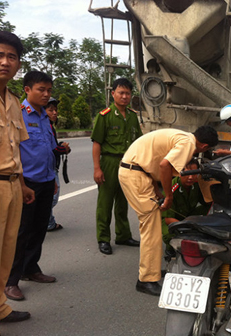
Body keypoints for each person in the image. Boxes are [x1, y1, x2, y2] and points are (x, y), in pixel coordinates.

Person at [118, 126, 218, 296]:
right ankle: (146, 280)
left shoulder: (183, 135)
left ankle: (152, 271)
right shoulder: (188, 143)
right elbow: (165, 165)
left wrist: (158, 192)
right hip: (135, 174)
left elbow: (155, 164)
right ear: (204, 147)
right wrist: (169, 196)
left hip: (139, 173)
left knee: (152, 225)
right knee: (151, 228)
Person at [0, 30, 34, 335]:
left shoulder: (13, 101)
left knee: (6, 252)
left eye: (11, 56)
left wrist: (21, 184)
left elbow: (15, 147)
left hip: (11, 186)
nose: (5, 62)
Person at [5, 71, 57, 302]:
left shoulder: (45, 117)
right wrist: (23, 184)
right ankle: (10, 281)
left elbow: (46, 149)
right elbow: (13, 152)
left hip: (46, 180)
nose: (46, 95)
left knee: (39, 228)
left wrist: (54, 178)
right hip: (27, 183)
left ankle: (30, 269)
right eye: (41, 90)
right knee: (21, 232)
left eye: (49, 90)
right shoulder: (18, 114)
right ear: (27, 90)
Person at [91, 78, 143, 255]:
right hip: (109, 163)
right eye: (121, 92)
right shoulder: (104, 116)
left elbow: (138, 143)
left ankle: (123, 235)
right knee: (105, 203)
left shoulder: (133, 117)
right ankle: (103, 238)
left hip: (128, 164)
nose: (124, 96)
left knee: (123, 202)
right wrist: (97, 168)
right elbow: (97, 143)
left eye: (128, 93)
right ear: (113, 94)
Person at [162, 158, 210, 258]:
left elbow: (206, 202)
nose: (190, 178)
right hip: (172, 220)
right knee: (170, 234)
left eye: (194, 174)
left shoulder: (196, 185)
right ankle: (170, 247)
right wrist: (187, 227)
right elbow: (167, 219)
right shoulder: (172, 188)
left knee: (211, 208)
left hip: (187, 215)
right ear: (179, 173)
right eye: (187, 174)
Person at [46, 97, 71, 232]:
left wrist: (61, 146)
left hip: (51, 166)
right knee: (52, 198)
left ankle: (49, 222)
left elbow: (52, 145)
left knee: (50, 197)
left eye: (55, 110)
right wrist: (63, 149)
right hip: (48, 168)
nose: (54, 113)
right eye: (51, 110)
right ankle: (45, 222)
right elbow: (49, 150)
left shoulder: (49, 125)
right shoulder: (45, 125)